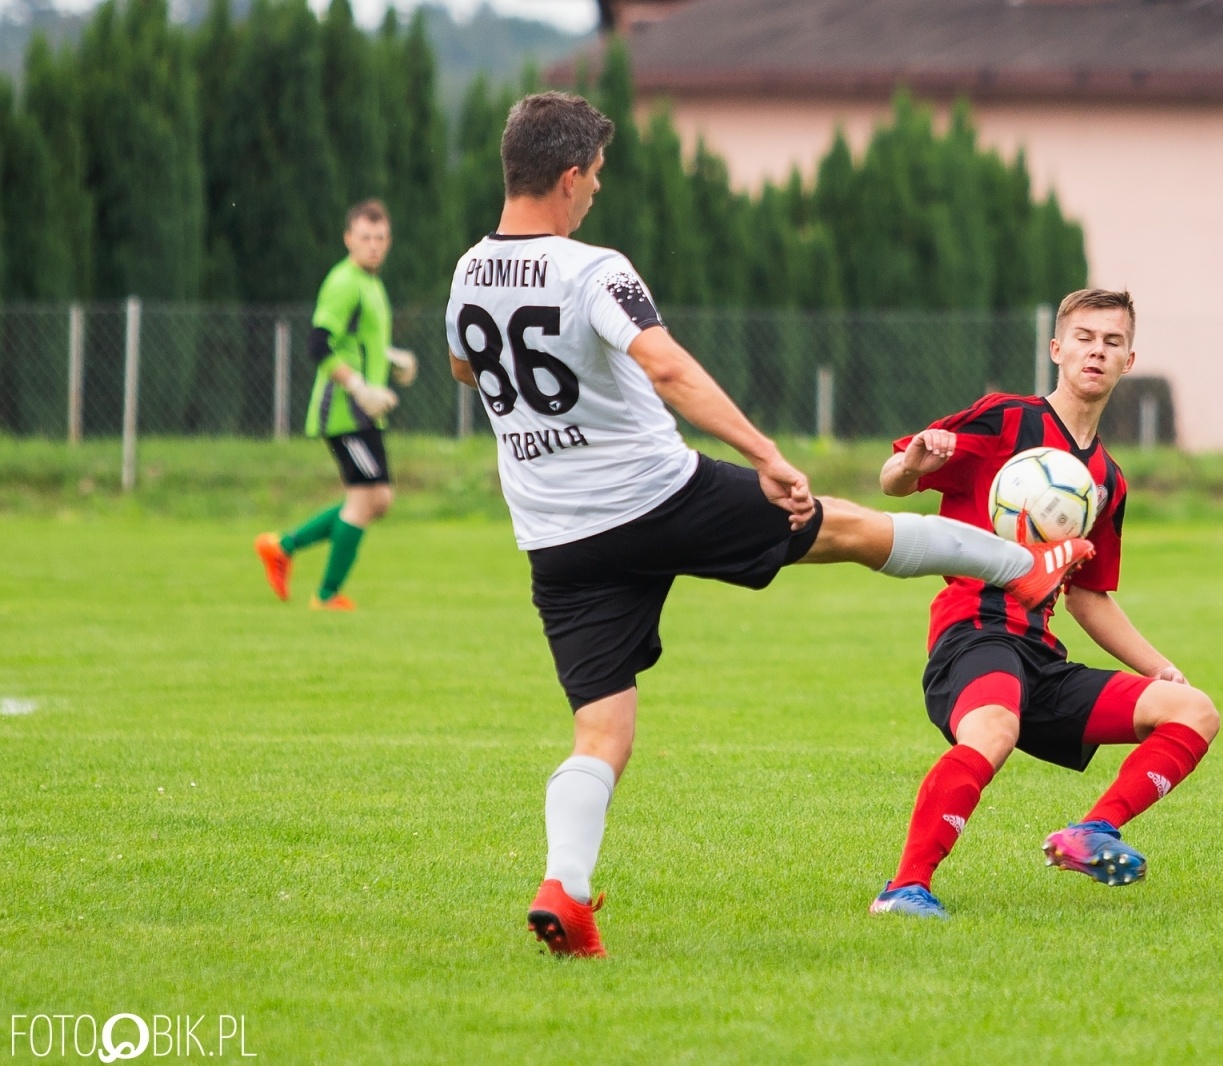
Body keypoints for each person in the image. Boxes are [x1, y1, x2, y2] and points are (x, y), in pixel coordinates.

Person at [442, 91, 1089, 958]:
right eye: (593, 176)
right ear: (566, 176)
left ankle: (567, 888)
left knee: (601, 729)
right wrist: (764, 452)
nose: (595, 191)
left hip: (558, 535)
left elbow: (463, 364)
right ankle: (1022, 567)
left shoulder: (466, 272)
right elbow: (665, 366)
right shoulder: (593, 268)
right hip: (655, 497)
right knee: (852, 532)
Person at [869, 288, 1221, 920]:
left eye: (1112, 342)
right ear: (1057, 350)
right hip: (974, 635)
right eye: (1085, 338)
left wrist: (1158, 666)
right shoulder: (1006, 419)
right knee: (994, 729)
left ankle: (1092, 834)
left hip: (1041, 656)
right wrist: (915, 460)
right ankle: (904, 889)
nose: (1097, 351)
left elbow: (1089, 595)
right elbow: (895, 476)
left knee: (1192, 711)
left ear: (1128, 359)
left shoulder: (1107, 479)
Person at [254, 200, 418, 611]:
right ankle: (326, 595)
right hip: (345, 410)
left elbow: (356, 340)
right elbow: (319, 344)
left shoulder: (372, 284)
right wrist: (360, 387)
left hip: (364, 412)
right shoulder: (344, 282)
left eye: (380, 238)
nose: (373, 246)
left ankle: (283, 546)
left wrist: (391, 356)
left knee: (375, 500)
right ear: (348, 239)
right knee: (369, 500)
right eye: (365, 237)